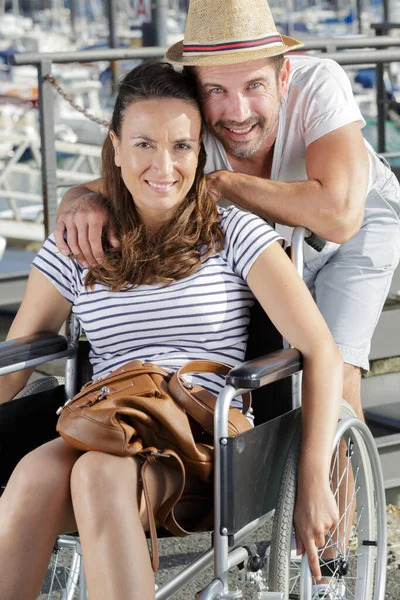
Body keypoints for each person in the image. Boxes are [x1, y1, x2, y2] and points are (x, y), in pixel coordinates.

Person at [0, 62, 343, 600]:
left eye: (181, 146)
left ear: (200, 150)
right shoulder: (79, 240)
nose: (164, 166)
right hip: (111, 424)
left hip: (206, 442)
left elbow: (319, 348)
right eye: (143, 144)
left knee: (97, 474)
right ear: (114, 147)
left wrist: (315, 476)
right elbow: (14, 364)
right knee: (34, 474)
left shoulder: (231, 231)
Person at [55, 0, 400, 430]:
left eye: (255, 86)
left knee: (334, 368)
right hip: (274, 237)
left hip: (357, 222)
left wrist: (226, 184)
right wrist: (78, 202)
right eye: (217, 91)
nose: (237, 112)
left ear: (284, 75)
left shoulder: (318, 82)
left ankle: (334, 495)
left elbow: (340, 215)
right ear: (197, 91)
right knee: (269, 370)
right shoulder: (194, 120)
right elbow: (116, 181)